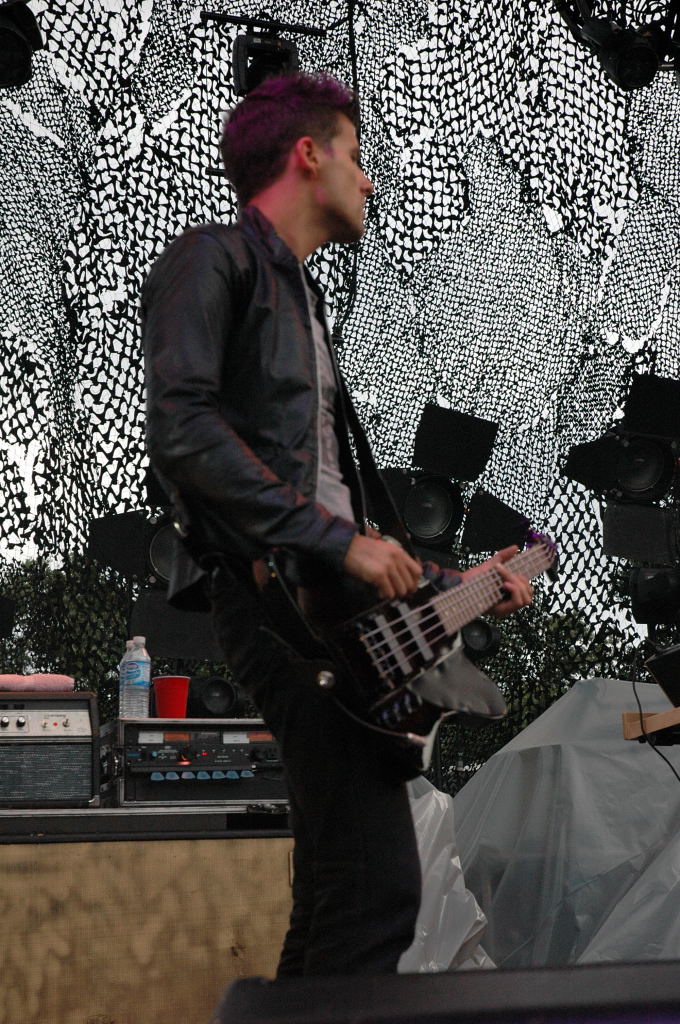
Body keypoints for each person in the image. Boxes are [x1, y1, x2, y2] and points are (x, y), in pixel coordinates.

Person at [143, 71, 532, 976]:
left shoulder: (303, 300)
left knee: (337, 891)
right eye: (355, 156)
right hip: (275, 605)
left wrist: (462, 585)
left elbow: (331, 513)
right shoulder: (213, 259)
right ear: (308, 155)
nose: (370, 179)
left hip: (320, 606)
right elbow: (183, 431)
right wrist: (336, 542)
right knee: (376, 889)